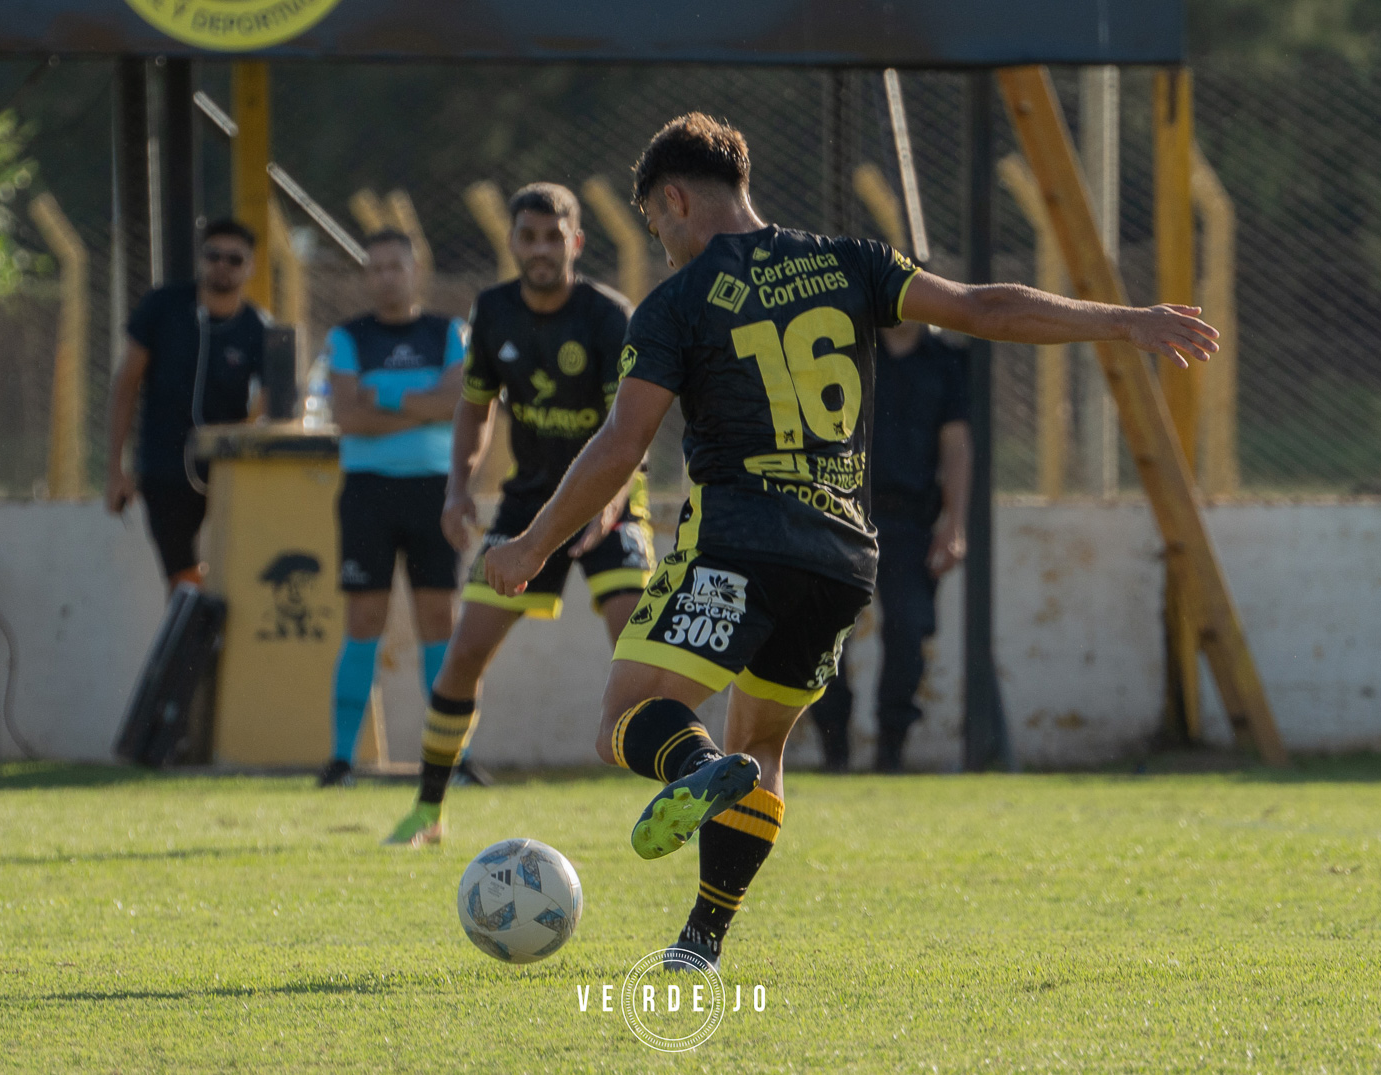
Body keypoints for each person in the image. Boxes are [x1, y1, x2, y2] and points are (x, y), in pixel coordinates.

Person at [477, 114, 1218, 970]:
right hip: (839, 557)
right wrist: (1127, 320)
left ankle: (691, 763)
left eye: (655, 225)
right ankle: (700, 943)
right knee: (765, 746)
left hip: (738, 543)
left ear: (675, 199)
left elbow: (622, 442)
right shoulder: (849, 262)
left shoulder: (675, 302)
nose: (663, 241)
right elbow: (984, 308)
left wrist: (533, 544)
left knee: (624, 723)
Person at [383, 184, 651, 846]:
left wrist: (609, 505)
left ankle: (681, 792)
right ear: (512, 242)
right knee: (465, 649)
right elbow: (475, 407)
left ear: (576, 243)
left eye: (553, 237)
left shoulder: (610, 316)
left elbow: (631, 430)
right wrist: (457, 489)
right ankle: (428, 810)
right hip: (529, 501)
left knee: (641, 650)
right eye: (528, 236)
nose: (540, 249)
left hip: (612, 498)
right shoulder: (493, 312)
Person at [317, 230, 467, 787]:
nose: (386, 276)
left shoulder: (447, 332)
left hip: (435, 491)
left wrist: (383, 396)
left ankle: (449, 761)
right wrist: (422, 405)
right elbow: (348, 418)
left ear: (416, 269)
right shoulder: (349, 336)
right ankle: (339, 761)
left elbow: (457, 402)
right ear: (366, 275)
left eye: (395, 266)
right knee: (364, 622)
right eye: (375, 268)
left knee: (438, 623)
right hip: (367, 493)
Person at [808, 319, 971, 773]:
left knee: (909, 630)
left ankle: (891, 750)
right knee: (823, 634)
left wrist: (954, 524)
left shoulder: (946, 361)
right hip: (838, 514)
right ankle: (833, 748)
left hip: (910, 521)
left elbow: (956, 444)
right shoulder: (844, 350)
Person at [105, 219, 269, 586]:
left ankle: (210, 639)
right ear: (200, 259)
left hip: (229, 472)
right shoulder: (163, 306)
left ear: (251, 266)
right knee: (183, 579)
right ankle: (193, 640)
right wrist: (116, 468)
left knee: (235, 578)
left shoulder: (258, 328)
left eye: (234, 259)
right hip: (165, 466)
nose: (223, 266)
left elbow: (274, 405)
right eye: (214, 256)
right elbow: (125, 384)